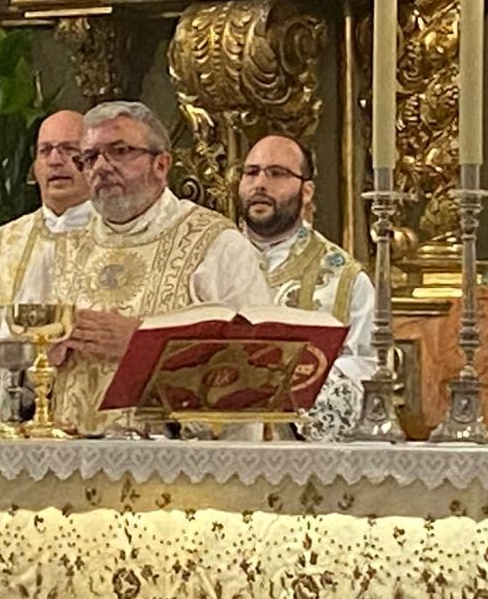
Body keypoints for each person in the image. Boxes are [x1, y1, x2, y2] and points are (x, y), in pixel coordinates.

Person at [46, 101, 273, 435]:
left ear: (161, 164)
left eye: (120, 151)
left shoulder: (215, 243)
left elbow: (257, 365)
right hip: (72, 455)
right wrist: (45, 354)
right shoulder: (65, 247)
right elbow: (26, 369)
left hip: (176, 460)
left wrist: (144, 346)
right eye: (90, 157)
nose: (102, 167)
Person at [238, 134, 377, 440]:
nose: (260, 184)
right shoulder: (209, 260)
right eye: (251, 172)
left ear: (307, 191)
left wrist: (288, 400)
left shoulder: (346, 279)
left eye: (277, 173)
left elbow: (365, 365)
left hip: (301, 452)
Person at [0, 109, 93, 411]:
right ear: (34, 167)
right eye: (45, 151)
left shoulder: (118, 236)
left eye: (70, 149)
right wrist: (19, 368)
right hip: (14, 413)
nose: (55, 160)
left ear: (94, 161)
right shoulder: (3, 243)